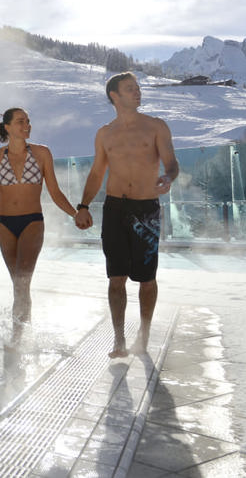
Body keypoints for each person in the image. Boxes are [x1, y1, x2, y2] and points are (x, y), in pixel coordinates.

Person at [74, 72, 179, 358]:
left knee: (147, 278)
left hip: (146, 209)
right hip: (115, 209)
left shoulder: (156, 127)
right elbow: (97, 172)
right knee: (116, 277)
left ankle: (143, 336)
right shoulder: (105, 133)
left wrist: (168, 178)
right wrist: (83, 206)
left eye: (138, 88)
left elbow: (171, 163)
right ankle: (119, 340)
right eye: (130, 89)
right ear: (114, 96)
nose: (138, 92)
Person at [0, 107, 80, 347]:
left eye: (28, 121)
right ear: (8, 127)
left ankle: (17, 338)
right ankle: (23, 332)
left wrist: (75, 214)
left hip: (32, 221)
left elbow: (54, 192)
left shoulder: (42, 153)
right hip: (5, 224)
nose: (27, 125)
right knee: (18, 285)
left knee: (23, 280)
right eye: (21, 121)